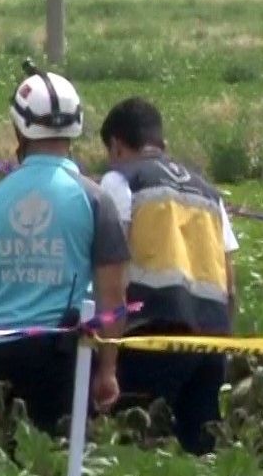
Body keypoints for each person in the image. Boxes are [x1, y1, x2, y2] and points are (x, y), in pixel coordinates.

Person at [0, 66, 130, 435]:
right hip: (62, 358)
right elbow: (113, 296)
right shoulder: (95, 199)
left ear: (19, 129)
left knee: (5, 461)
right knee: (59, 471)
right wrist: (109, 370)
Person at [96, 96, 238, 456]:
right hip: (211, 340)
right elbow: (229, 282)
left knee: (137, 451)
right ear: (163, 144)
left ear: (116, 146)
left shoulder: (120, 180)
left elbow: (112, 265)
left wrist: (106, 354)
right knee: (201, 455)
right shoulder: (209, 191)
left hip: (151, 335)